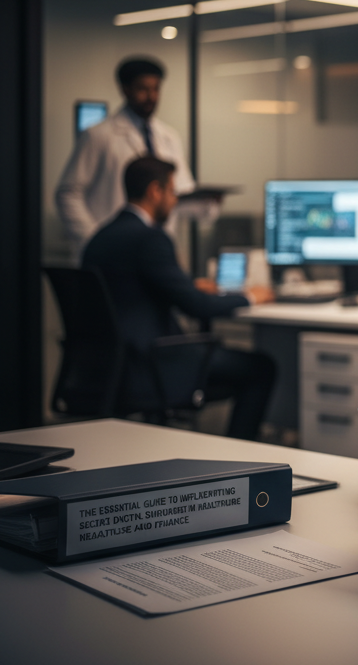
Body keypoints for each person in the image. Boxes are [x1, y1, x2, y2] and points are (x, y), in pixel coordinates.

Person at [82, 156, 277, 441]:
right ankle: (241, 459)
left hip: (109, 365)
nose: (174, 202)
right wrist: (251, 296)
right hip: (153, 362)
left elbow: (135, 289)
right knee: (262, 367)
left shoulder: (100, 238)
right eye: (172, 192)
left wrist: (189, 285)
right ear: (154, 191)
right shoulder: (151, 238)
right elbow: (197, 307)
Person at [56, 57, 196, 258]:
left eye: (156, 89)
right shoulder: (98, 136)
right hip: (112, 253)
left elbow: (178, 192)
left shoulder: (169, 137)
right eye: (143, 89)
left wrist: (206, 203)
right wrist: (95, 239)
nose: (151, 96)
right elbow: (68, 194)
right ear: (125, 89)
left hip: (157, 251)